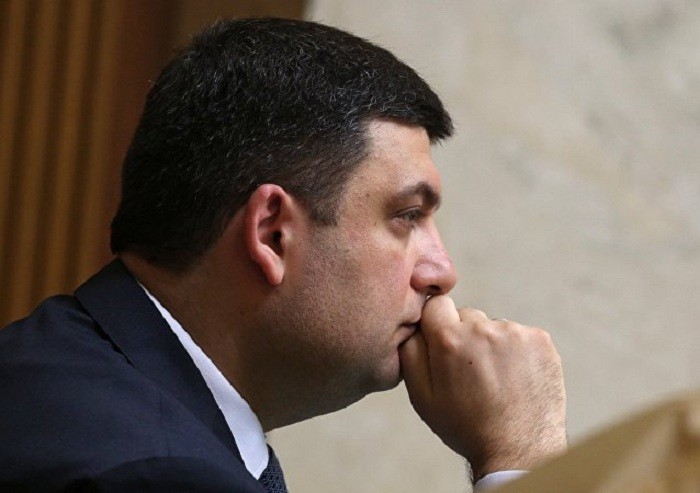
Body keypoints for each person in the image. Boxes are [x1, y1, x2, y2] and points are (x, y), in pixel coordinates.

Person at [0, 18, 566, 492]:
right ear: (272, 234)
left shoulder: (57, 368)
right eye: (407, 216)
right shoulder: (160, 474)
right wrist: (523, 456)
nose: (442, 272)